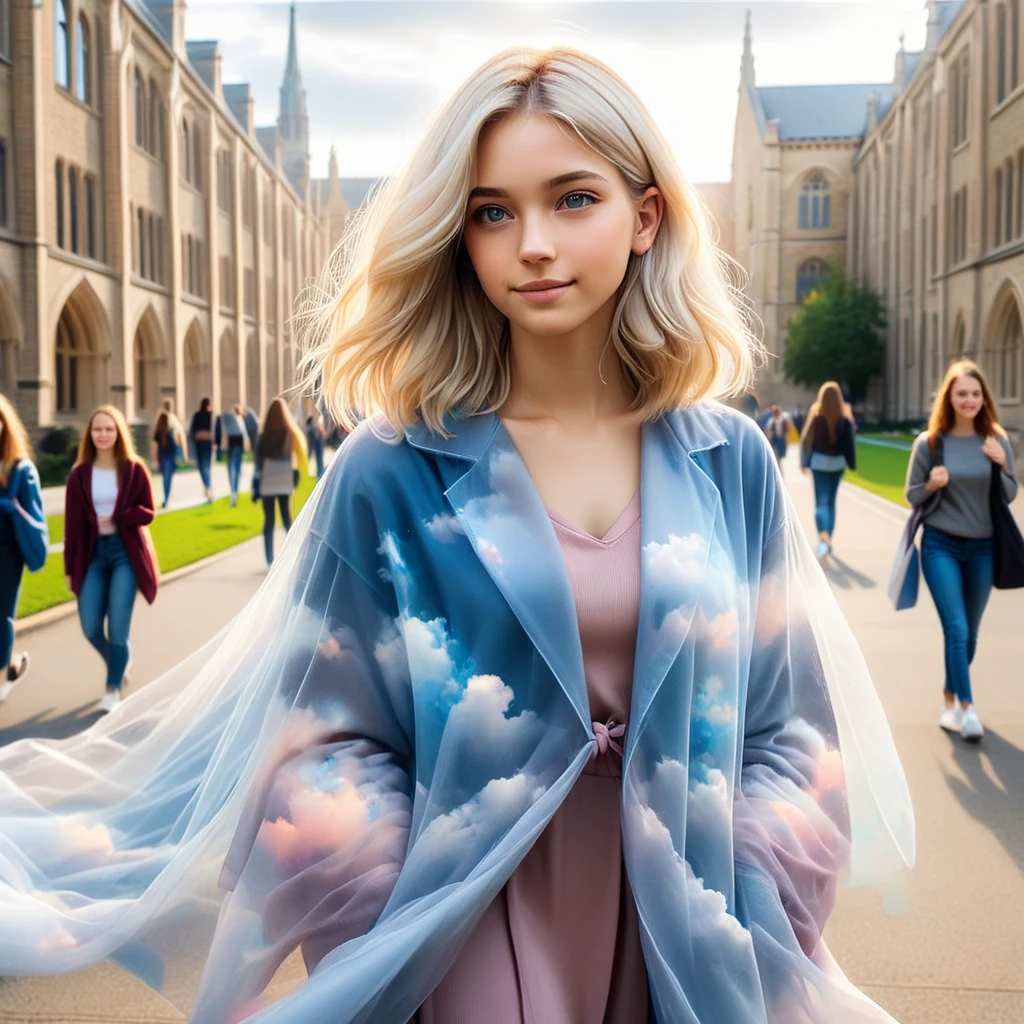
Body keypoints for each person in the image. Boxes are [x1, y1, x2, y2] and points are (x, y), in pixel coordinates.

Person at [0, 49, 913, 1024]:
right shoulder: (389, 470)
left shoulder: (729, 462)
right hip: (465, 925)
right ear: (459, 236)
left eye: (572, 199)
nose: (530, 243)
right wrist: (391, 910)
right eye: (491, 211)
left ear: (644, 217)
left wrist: (742, 883)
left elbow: (792, 730)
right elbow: (324, 733)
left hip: (690, 929)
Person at [905, 359, 1018, 742]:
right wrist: (932, 484)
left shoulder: (997, 441)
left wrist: (1002, 466)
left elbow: (1010, 493)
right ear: (949, 398)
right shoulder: (930, 443)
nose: (969, 400)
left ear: (983, 397)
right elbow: (911, 495)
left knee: (969, 634)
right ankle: (968, 708)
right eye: (961, 393)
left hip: (984, 548)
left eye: (975, 393)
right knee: (955, 627)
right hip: (941, 544)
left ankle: (949, 694)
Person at [63, 405, 159, 713]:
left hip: (124, 553)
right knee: (91, 626)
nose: (103, 434)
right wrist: (68, 568)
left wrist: (119, 518)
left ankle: (112, 687)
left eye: (109, 429)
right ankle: (120, 660)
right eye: (97, 429)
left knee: (118, 628)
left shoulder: (133, 469)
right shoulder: (79, 475)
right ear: (89, 435)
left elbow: (148, 511)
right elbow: (71, 527)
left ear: (118, 432)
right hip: (92, 554)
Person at [0, 394, 47, 703]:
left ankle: (4, 672)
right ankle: (13, 663)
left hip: (7, 551)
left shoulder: (20, 469)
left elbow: (33, 513)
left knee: (1, 616)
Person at [800, 381, 857, 561]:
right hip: (837, 464)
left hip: (819, 463)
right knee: (831, 503)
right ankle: (828, 539)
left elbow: (805, 440)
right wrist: (851, 463)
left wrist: (804, 462)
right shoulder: (844, 419)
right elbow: (850, 445)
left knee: (821, 503)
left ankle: (823, 535)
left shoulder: (816, 417)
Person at [254, 397, 308, 566]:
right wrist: (296, 478)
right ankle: (291, 555)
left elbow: (258, 462)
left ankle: (269, 558)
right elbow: (296, 459)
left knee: (268, 520)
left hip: (268, 480)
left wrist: (256, 484)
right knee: (287, 518)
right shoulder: (290, 434)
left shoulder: (263, 436)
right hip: (285, 479)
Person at [150, 408, 184, 508]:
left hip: (163, 458)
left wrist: (155, 460)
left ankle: (166, 498)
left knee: (165, 478)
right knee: (168, 479)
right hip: (170, 458)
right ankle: (167, 498)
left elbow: (155, 448)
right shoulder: (170, 431)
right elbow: (177, 445)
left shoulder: (158, 432)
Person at [216, 404, 248, 507]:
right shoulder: (234, 421)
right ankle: (234, 492)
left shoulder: (235, 421)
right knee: (234, 470)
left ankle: (234, 492)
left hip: (235, 448)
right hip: (234, 448)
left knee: (234, 470)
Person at [189, 397, 215, 503]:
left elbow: (193, 431)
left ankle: (207, 488)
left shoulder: (198, 415)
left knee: (202, 467)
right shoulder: (211, 416)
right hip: (207, 445)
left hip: (200, 445)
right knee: (207, 468)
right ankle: (208, 488)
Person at [762, 402, 791, 466]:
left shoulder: (783, 420)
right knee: (776, 453)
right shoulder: (772, 421)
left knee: (781, 454)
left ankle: (779, 462)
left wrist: (787, 437)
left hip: (781, 439)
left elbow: (787, 429)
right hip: (775, 440)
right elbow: (768, 430)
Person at [304, 411, 327, 479]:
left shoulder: (310, 428)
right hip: (318, 445)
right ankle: (320, 474)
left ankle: (319, 474)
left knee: (318, 460)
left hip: (316, 445)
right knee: (319, 461)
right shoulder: (314, 427)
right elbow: (321, 434)